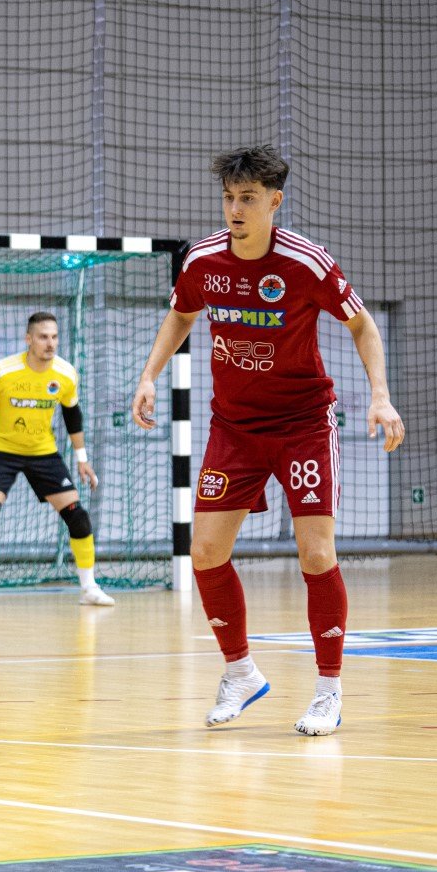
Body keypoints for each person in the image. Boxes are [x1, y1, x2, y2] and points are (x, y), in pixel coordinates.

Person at [131, 145, 404, 736]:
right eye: (229, 197)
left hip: (303, 424)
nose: (235, 208)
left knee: (316, 554)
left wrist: (379, 395)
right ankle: (241, 673)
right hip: (234, 427)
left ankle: (329, 690)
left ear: (274, 202)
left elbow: (362, 324)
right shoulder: (202, 260)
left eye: (248, 199)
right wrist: (150, 374)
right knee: (205, 552)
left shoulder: (306, 263)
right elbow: (181, 314)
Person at [0, 311, 115, 609]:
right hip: (3, 452)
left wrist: (82, 459)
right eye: (43, 337)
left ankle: (89, 587)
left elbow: (72, 414)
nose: (50, 343)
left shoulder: (66, 374)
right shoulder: (3, 371)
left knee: (77, 516)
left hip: (43, 453)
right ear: (29, 339)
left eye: (54, 337)